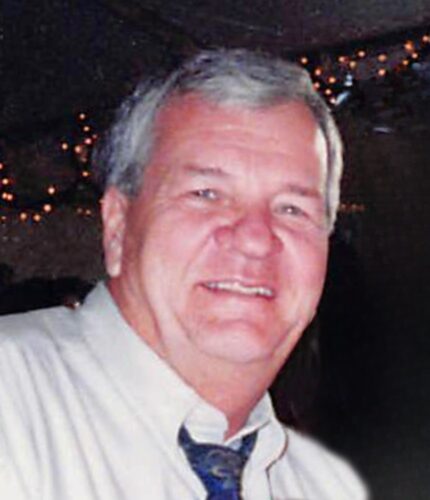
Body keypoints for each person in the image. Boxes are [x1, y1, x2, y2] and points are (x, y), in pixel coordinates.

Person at [0, 49, 368, 499]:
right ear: (117, 227)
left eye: (292, 208)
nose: (255, 238)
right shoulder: (11, 403)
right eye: (207, 193)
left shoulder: (323, 486)